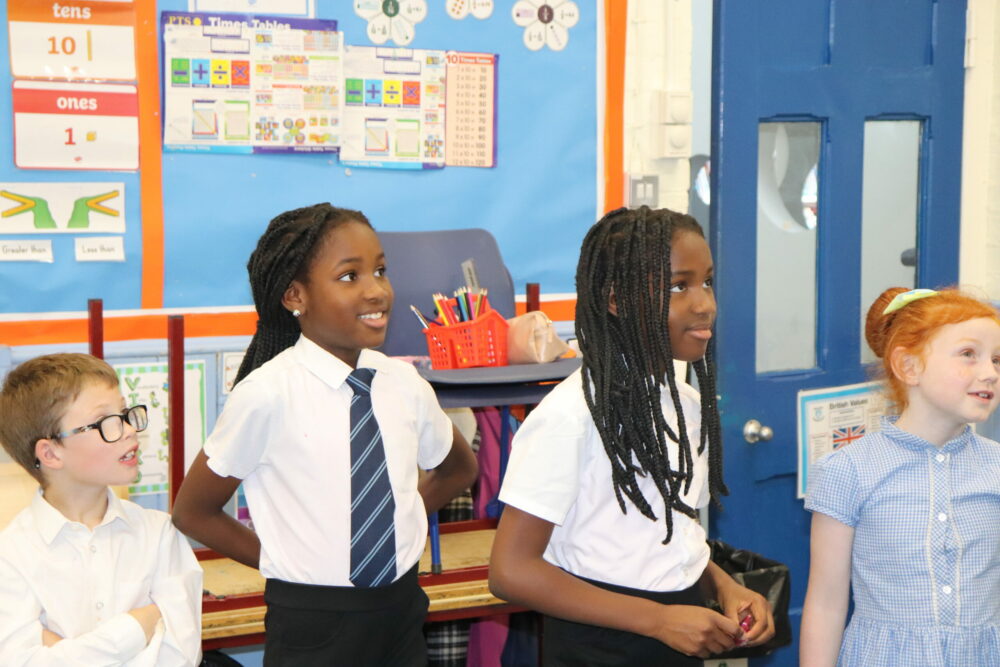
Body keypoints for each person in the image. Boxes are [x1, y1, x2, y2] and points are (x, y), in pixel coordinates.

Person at [171, 203, 478, 666]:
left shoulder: (402, 383)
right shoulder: (267, 394)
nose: (377, 290)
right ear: (296, 296)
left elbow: (458, 469)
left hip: (401, 609)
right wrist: (282, 561)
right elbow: (193, 511)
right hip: (312, 621)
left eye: (380, 270)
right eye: (350, 276)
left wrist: (398, 523)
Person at [488, 206, 775, 665]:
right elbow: (510, 572)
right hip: (600, 643)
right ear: (617, 300)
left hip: (678, 629)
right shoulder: (569, 416)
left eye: (707, 281)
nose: (705, 304)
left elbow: (671, 536)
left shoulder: (682, 403)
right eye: (679, 286)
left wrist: (724, 586)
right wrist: (658, 621)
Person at [800, 287, 1000, 666]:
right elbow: (826, 604)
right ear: (909, 367)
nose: (989, 373)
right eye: (968, 355)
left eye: (996, 359)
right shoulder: (849, 471)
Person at [0, 353, 203, 666]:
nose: (129, 430)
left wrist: (63, 649)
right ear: (51, 453)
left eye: (124, 414)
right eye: (106, 421)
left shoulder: (159, 534)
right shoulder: (11, 555)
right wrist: (140, 624)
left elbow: (180, 656)